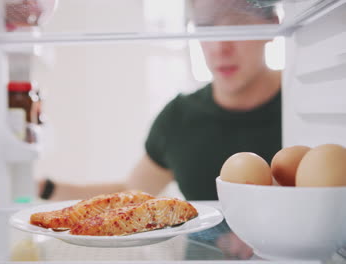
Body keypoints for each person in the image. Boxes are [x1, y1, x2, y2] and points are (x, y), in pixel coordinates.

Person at [37, 0, 281, 259]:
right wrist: (46, 188)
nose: (220, 48)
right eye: (206, 27)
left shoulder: (306, 108)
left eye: (236, 26)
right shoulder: (178, 118)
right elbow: (129, 196)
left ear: (272, 25)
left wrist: (273, 230)